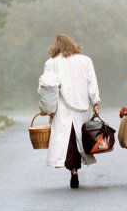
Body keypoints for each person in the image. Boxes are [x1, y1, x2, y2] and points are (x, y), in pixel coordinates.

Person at [41, 34, 100, 189]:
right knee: (79, 136)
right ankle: (75, 167)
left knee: (66, 138)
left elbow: (47, 88)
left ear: (56, 46)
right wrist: (95, 101)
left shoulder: (51, 63)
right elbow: (91, 82)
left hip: (61, 107)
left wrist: (47, 108)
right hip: (81, 106)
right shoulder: (86, 60)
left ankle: (72, 168)